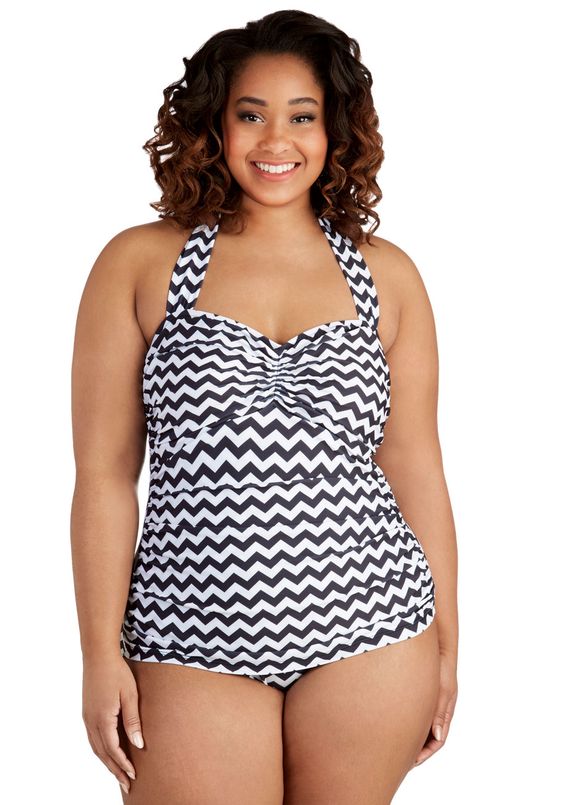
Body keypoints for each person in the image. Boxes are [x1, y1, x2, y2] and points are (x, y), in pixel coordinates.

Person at [71, 9, 459, 803]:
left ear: (335, 129)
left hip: (374, 626)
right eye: (251, 115)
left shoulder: (387, 276)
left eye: (302, 117)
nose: (276, 140)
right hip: (186, 633)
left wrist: (448, 643)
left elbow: (415, 463)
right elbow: (104, 475)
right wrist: (98, 653)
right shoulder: (140, 262)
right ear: (213, 124)